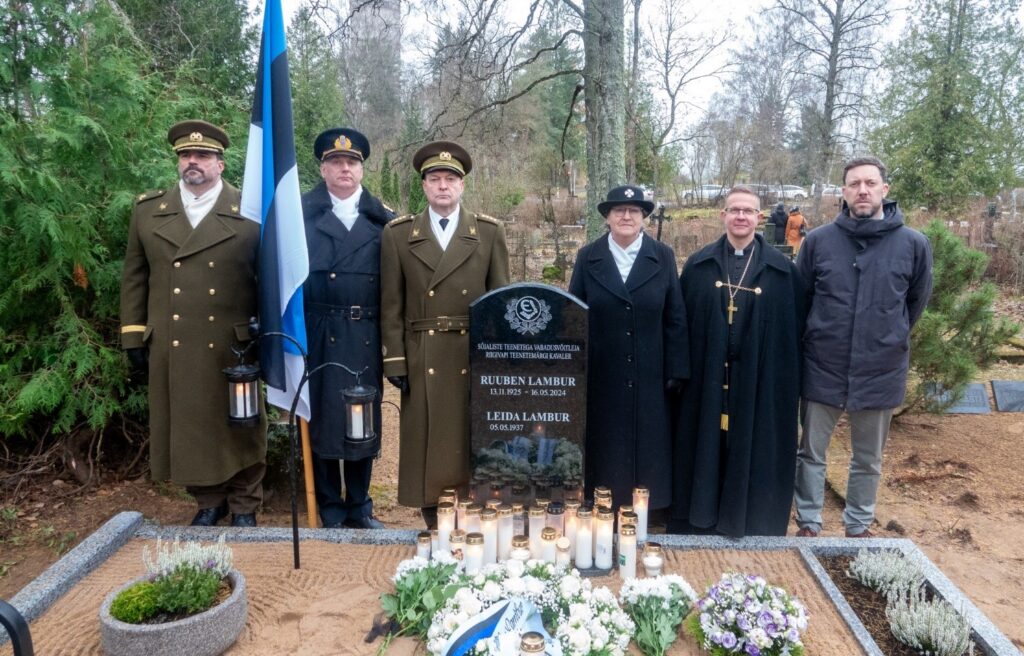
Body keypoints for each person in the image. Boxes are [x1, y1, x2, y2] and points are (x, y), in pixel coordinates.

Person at [120, 120, 266, 527]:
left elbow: (270, 278)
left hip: (233, 341)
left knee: (242, 424)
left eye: (202, 156)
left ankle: (244, 504)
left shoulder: (251, 210)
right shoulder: (149, 210)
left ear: (221, 163)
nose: (193, 162)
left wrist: (268, 334)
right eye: (186, 155)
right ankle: (208, 500)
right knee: (189, 421)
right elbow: (135, 275)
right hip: (175, 338)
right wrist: (133, 333)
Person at [794, 156, 932, 538]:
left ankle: (857, 524)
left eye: (870, 183)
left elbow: (914, 303)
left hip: (880, 368)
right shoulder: (819, 242)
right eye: (854, 184)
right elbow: (801, 300)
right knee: (811, 453)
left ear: (884, 190)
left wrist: (888, 336)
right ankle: (808, 521)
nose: (863, 190)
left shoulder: (913, 244)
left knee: (868, 458)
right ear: (843, 192)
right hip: (823, 364)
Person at [380, 141, 510, 527]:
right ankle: (432, 513)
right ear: (423, 186)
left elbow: (501, 300)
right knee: (427, 435)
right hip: (423, 353)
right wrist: (395, 358)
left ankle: (472, 511)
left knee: (471, 433)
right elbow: (391, 304)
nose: (442, 186)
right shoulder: (399, 235)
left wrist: (497, 356)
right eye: (434, 179)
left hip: (471, 351)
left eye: (450, 179)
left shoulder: (488, 232)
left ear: (462, 185)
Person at [670, 185, 806, 537]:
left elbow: (794, 335)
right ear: (723, 216)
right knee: (705, 445)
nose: (741, 217)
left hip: (759, 382)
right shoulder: (699, 267)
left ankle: (750, 520)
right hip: (706, 379)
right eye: (734, 210)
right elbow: (680, 326)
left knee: (754, 445)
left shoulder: (782, 273)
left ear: (759, 217)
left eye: (748, 211)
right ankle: (701, 518)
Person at [568, 185, 688, 512]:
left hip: (651, 373)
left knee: (649, 444)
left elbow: (675, 316)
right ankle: (603, 504)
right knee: (606, 444)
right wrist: (576, 372)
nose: (626, 216)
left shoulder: (661, 256)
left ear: (643, 218)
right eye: (618, 210)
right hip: (603, 373)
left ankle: (649, 510)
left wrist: (677, 370)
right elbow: (573, 317)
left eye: (634, 210)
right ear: (606, 217)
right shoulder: (588, 257)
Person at [301, 128, 394, 529]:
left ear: (361, 170)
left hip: (364, 332)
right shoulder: (299, 216)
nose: (344, 168)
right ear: (322, 169)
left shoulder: (384, 221)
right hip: (318, 331)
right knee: (321, 419)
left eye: (352, 162)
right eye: (335, 162)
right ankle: (329, 506)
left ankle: (359, 505)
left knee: (362, 418)